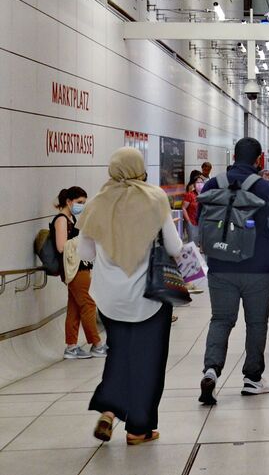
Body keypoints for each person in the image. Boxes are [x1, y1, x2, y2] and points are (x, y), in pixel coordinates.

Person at [76, 147, 182, 446]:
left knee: (119, 354)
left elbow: (85, 252)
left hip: (110, 299)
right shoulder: (154, 198)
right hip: (149, 297)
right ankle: (138, 429)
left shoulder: (96, 203)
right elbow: (173, 247)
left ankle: (108, 411)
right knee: (148, 362)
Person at [198, 137, 269, 404]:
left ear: (232, 158)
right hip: (258, 268)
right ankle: (252, 378)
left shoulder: (212, 184)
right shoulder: (264, 187)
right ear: (259, 159)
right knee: (256, 323)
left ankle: (211, 371)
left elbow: (200, 222)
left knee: (220, 320)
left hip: (219, 267)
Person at [53, 187, 106, 359]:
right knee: (88, 304)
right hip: (75, 269)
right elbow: (61, 246)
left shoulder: (71, 218)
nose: (82, 206)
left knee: (74, 308)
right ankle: (96, 344)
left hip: (79, 266)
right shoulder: (61, 220)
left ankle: (71, 346)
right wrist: (83, 238)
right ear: (69, 202)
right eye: (79, 203)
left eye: (84, 203)